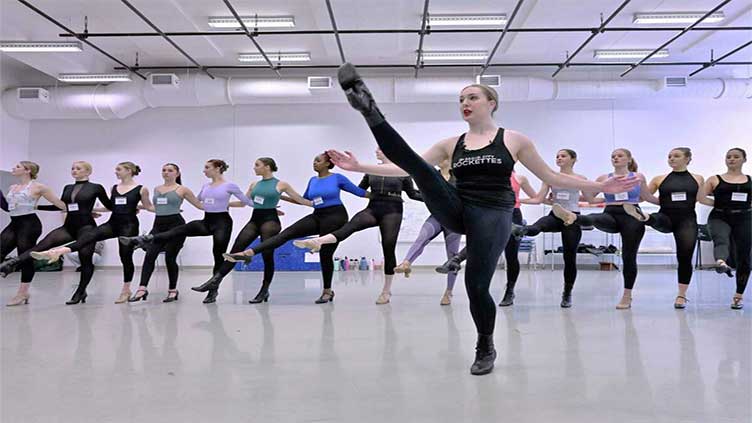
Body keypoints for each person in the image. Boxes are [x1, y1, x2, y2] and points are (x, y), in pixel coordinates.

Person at [321, 62, 638, 375]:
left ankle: (485, 343)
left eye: (472, 97)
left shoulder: (514, 140)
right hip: (458, 206)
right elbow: (405, 167)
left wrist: (598, 186)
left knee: (476, 286)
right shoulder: (451, 143)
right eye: (461, 99)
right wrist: (359, 166)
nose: (465, 103)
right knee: (422, 168)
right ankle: (369, 109)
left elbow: (551, 176)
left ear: (491, 103)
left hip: (494, 213)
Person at [222, 152, 369, 304]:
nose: (314, 163)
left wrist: (384, 198)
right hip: (317, 215)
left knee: (325, 254)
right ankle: (248, 253)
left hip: (336, 216)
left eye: (318, 161)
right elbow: (304, 200)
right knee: (286, 234)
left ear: (327, 163)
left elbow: (359, 192)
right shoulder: (313, 180)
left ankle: (327, 291)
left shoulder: (337, 178)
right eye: (313, 160)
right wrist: (281, 195)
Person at [292, 148, 422, 305]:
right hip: (373, 208)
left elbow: (413, 194)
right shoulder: (371, 171)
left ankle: (386, 291)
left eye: (380, 149)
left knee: (388, 247)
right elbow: (360, 190)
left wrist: (433, 199)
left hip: (393, 210)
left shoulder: (402, 172)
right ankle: (319, 241)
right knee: (350, 226)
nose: (376, 151)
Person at [120, 159, 255, 303]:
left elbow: (243, 203)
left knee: (217, 255)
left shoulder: (230, 186)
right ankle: (146, 239)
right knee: (182, 229)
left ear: (218, 168)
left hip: (222, 223)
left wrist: (265, 207)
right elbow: (199, 202)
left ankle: (212, 290)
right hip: (206, 221)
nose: (204, 170)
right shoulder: (206, 186)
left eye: (207, 167)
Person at [548, 148, 657, 310]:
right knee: (593, 216)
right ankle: (573, 217)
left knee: (628, 257)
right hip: (611, 213)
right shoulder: (604, 178)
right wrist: (565, 196)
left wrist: (670, 203)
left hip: (632, 215)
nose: (615, 158)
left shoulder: (638, 177)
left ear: (629, 159)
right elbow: (591, 198)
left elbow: (646, 197)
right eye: (613, 156)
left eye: (620, 156)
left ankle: (627, 296)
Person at [191, 157, 310, 302]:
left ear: (267, 167)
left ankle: (264, 290)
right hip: (254, 220)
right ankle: (214, 281)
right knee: (235, 252)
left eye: (257, 165)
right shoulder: (254, 184)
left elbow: (300, 200)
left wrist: (316, 205)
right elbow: (243, 203)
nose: (254, 168)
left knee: (267, 255)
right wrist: (220, 204)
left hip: (270, 221)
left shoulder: (281, 184)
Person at [32, 162, 152, 304]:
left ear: (128, 171)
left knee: (125, 257)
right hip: (112, 224)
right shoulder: (114, 188)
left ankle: (126, 290)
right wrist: (89, 211)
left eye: (118, 169)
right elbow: (111, 207)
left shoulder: (141, 189)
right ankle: (58, 251)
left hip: (129, 226)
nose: (116, 172)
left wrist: (166, 210)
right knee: (89, 237)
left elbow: (148, 206)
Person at [0, 161, 113, 305]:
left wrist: (93, 211)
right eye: (72, 168)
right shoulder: (68, 187)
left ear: (88, 172)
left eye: (78, 169)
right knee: (42, 245)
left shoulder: (96, 188)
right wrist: (37, 206)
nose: (74, 171)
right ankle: (13, 263)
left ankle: (81, 291)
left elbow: (110, 206)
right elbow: (63, 207)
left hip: (86, 228)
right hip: (68, 227)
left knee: (85, 259)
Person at [435, 171, 537, 306]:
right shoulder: (491, 175)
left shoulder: (520, 178)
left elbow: (536, 198)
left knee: (511, 255)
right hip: (493, 212)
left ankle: (510, 291)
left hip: (513, 213)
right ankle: (457, 260)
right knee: (480, 240)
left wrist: (520, 200)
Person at [622, 148, 704, 309]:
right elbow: (644, 196)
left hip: (687, 220)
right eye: (669, 156)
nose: (671, 159)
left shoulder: (698, 178)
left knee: (685, 258)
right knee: (655, 218)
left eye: (676, 156)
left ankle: (681, 295)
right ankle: (645, 217)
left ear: (688, 159)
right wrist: (620, 196)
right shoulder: (659, 179)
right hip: (665, 216)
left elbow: (700, 198)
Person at [130, 163, 202, 303]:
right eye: (164, 170)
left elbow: (199, 205)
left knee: (170, 258)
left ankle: (173, 290)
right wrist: (140, 206)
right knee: (150, 255)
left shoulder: (182, 189)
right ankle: (142, 289)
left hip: (176, 226)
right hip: (158, 225)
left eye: (170, 170)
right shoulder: (157, 189)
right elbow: (153, 208)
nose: (166, 173)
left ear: (177, 173)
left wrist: (222, 205)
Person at [393, 159, 462, 305]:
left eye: (444, 157)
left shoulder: (460, 175)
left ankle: (449, 292)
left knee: (452, 257)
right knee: (422, 237)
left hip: (455, 220)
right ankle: (406, 263)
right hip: (437, 216)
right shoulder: (433, 175)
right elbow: (421, 194)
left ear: (450, 160)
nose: (440, 160)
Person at [1, 161, 65, 306]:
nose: (13, 168)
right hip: (14, 223)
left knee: (25, 257)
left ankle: (22, 293)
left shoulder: (39, 187)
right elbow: (7, 207)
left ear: (27, 170)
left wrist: (83, 211)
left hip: (29, 225)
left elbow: (59, 204)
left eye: (17, 166)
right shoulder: (13, 187)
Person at [698, 148, 750, 309]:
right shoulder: (714, 179)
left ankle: (738, 296)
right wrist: (719, 203)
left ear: (744, 160)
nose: (731, 159)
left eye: (736, 157)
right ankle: (721, 262)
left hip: (744, 217)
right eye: (728, 157)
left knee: (744, 256)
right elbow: (700, 197)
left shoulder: (749, 179)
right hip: (720, 216)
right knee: (721, 240)